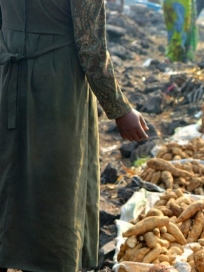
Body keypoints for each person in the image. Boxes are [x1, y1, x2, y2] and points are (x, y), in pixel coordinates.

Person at [0, 1, 148, 271]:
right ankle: (49, 259)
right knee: (55, 183)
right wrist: (119, 108)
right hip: (57, 86)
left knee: (7, 170)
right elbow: (91, 44)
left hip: (7, 73)